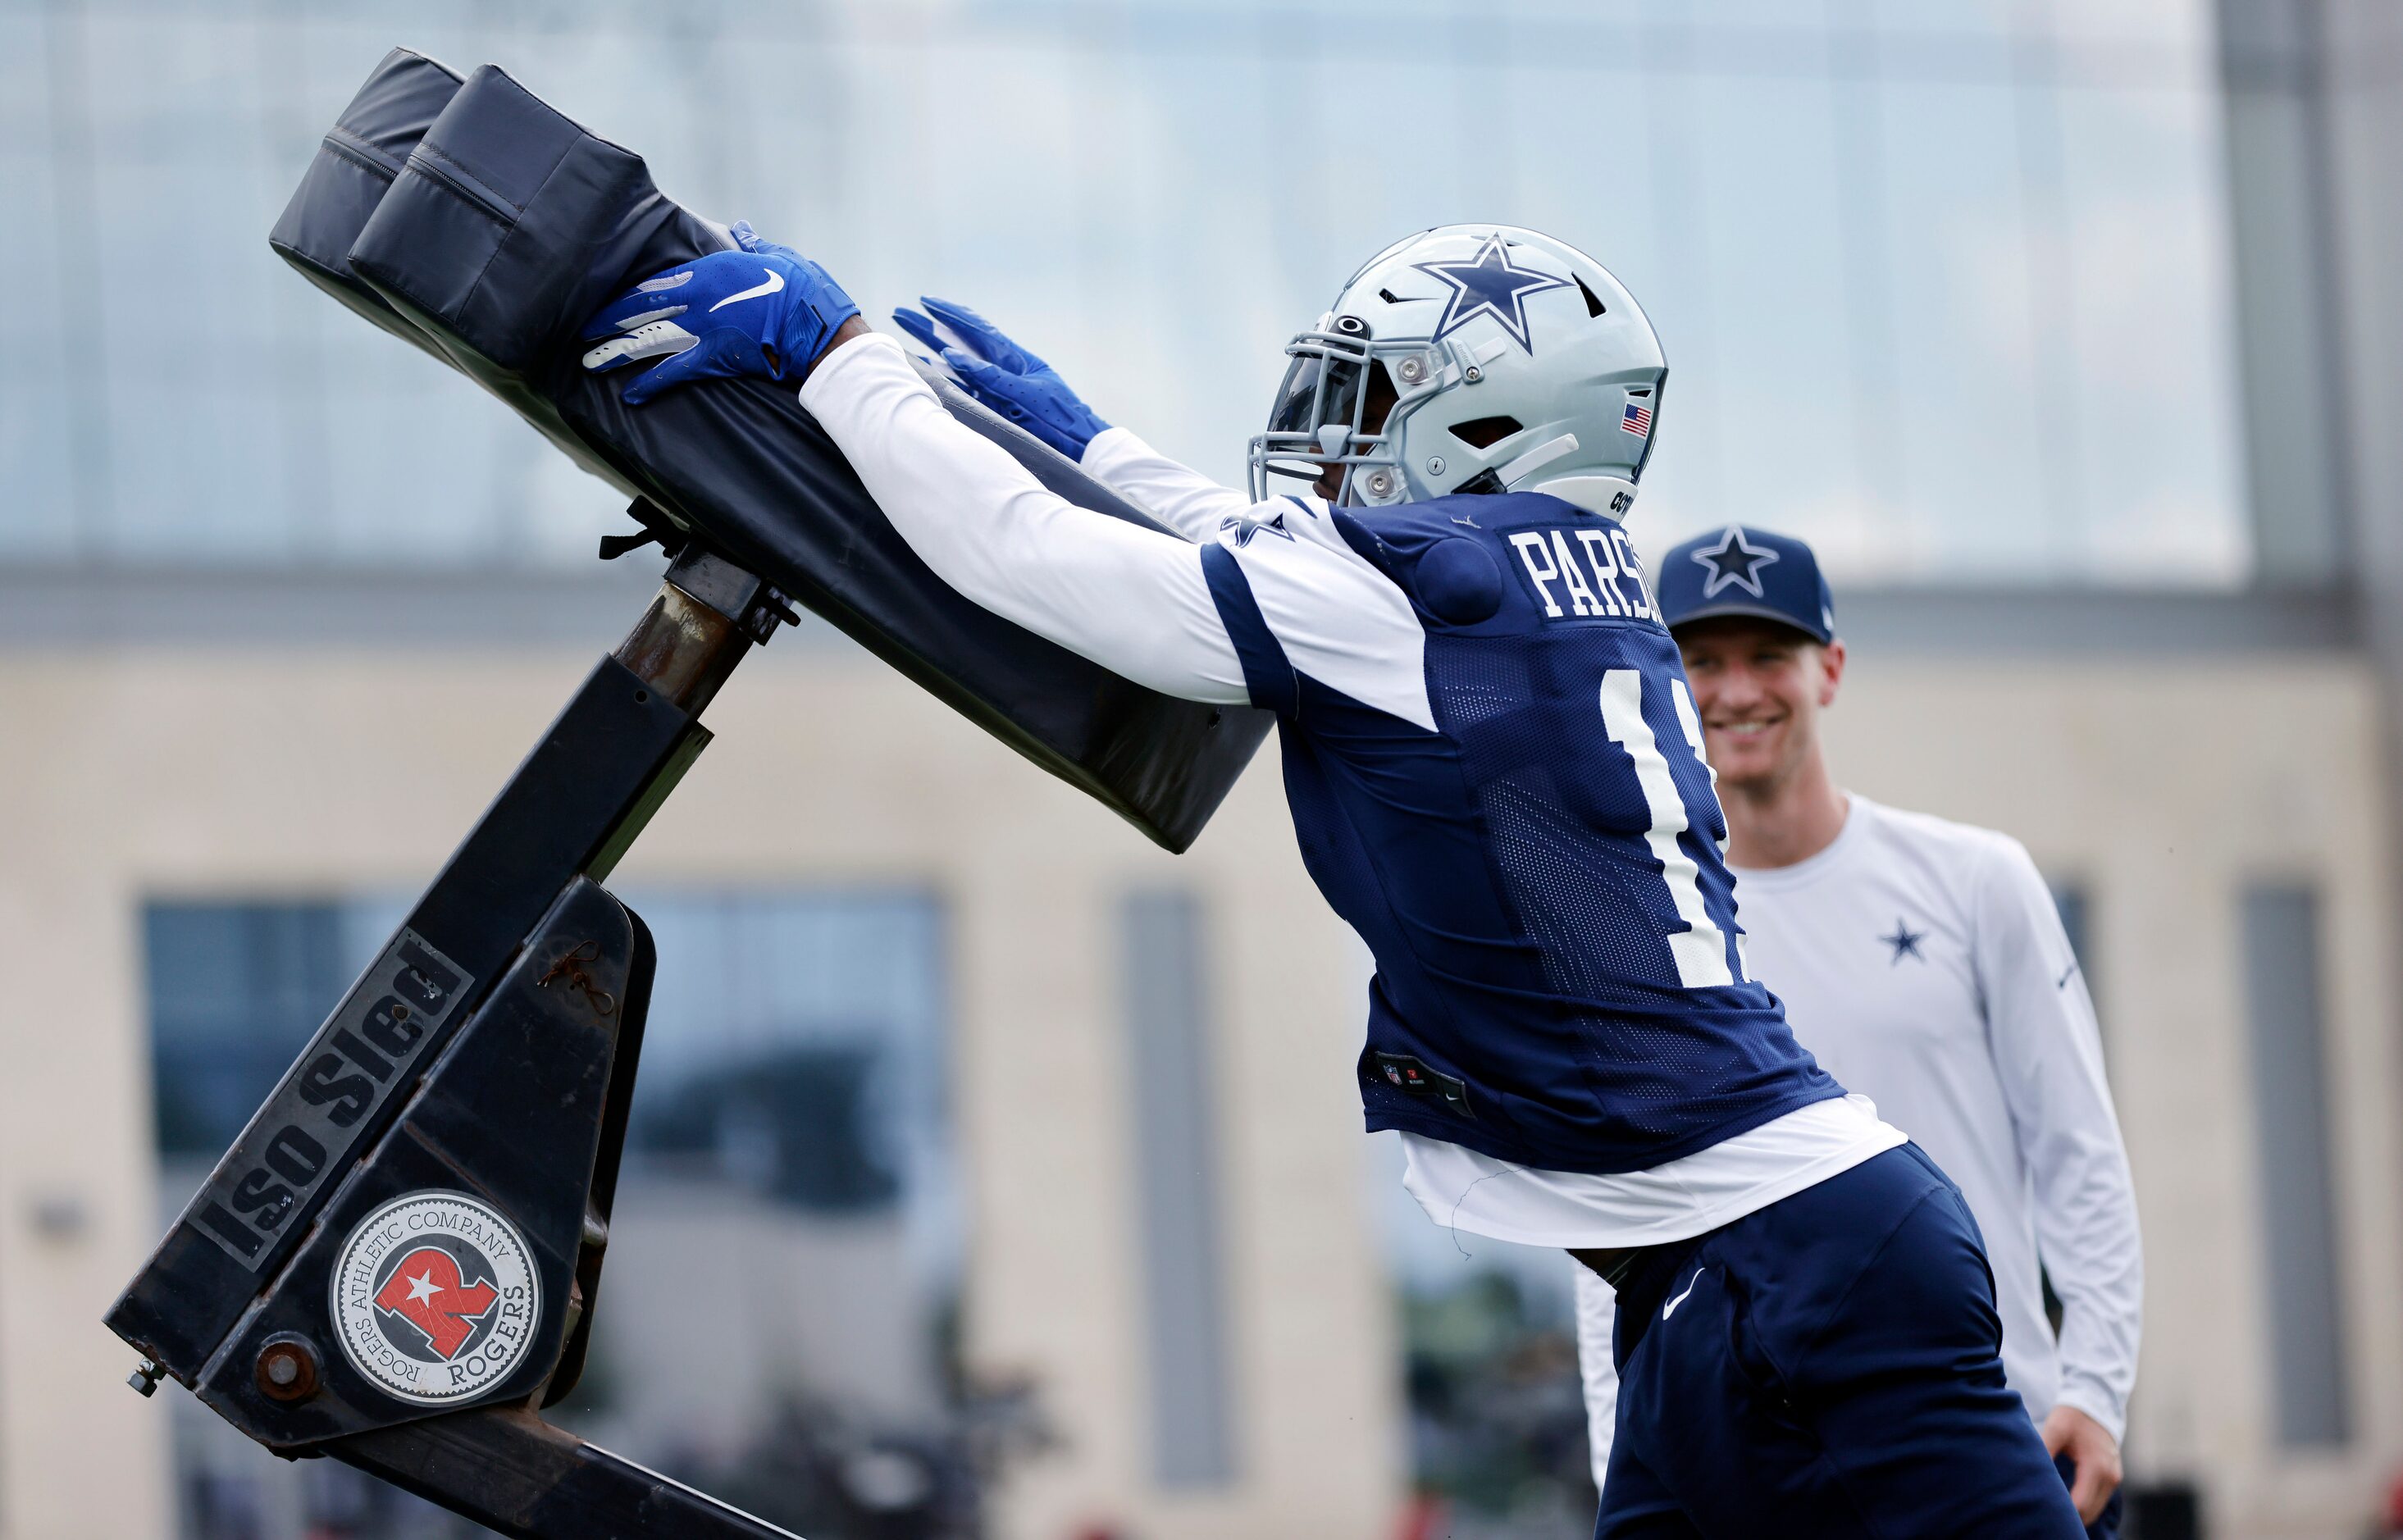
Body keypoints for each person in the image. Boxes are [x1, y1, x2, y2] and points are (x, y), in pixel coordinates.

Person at [579, 221, 2089, 1535]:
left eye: (1374, 401)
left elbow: (1026, 556)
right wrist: (1106, 447)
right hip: (1738, 1265)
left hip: (1806, 1268)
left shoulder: (1420, 601)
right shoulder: (1563, 587)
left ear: (1493, 427)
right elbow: (1290, 564)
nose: (1334, 440)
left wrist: (840, 352)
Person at [1571, 524, 2143, 1536]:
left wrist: (2094, 1390)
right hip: (1755, 1470)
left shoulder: (1975, 882)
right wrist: (1622, 1448)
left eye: (1766, 657)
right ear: (1661, 678)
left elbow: (2078, 1153)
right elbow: (1622, 1226)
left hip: (1985, 1437)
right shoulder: (1643, 931)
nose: (1735, 690)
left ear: (1827, 669)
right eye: (1701, 661)